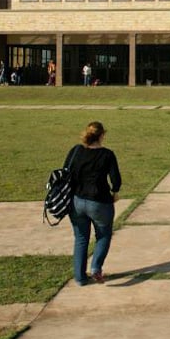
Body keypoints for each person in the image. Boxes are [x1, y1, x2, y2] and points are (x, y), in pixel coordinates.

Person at [65, 121, 121, 286]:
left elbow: (65, 172)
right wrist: (114, 192)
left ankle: (80, 278)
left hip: (76, 201)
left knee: (81, 238)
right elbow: (116, 179)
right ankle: (96, 268)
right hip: (99, 202)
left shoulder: (76, 151)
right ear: (102, 135)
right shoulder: (107, 154)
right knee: (103, 235)